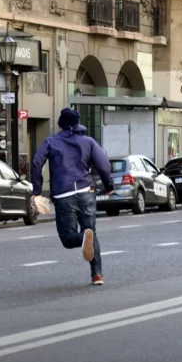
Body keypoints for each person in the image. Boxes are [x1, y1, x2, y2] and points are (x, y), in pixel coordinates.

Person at [30, 108, 113, 286]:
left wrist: (37, 190)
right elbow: (104, 164)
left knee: (68, 239)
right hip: (86, 192)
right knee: (91, 232)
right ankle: (97, 274)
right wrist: (109, 186)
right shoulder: (88, 141)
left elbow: (37, 163)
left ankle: (84, 236)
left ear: (60, 124)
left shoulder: (51, 142)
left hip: (64, 194)